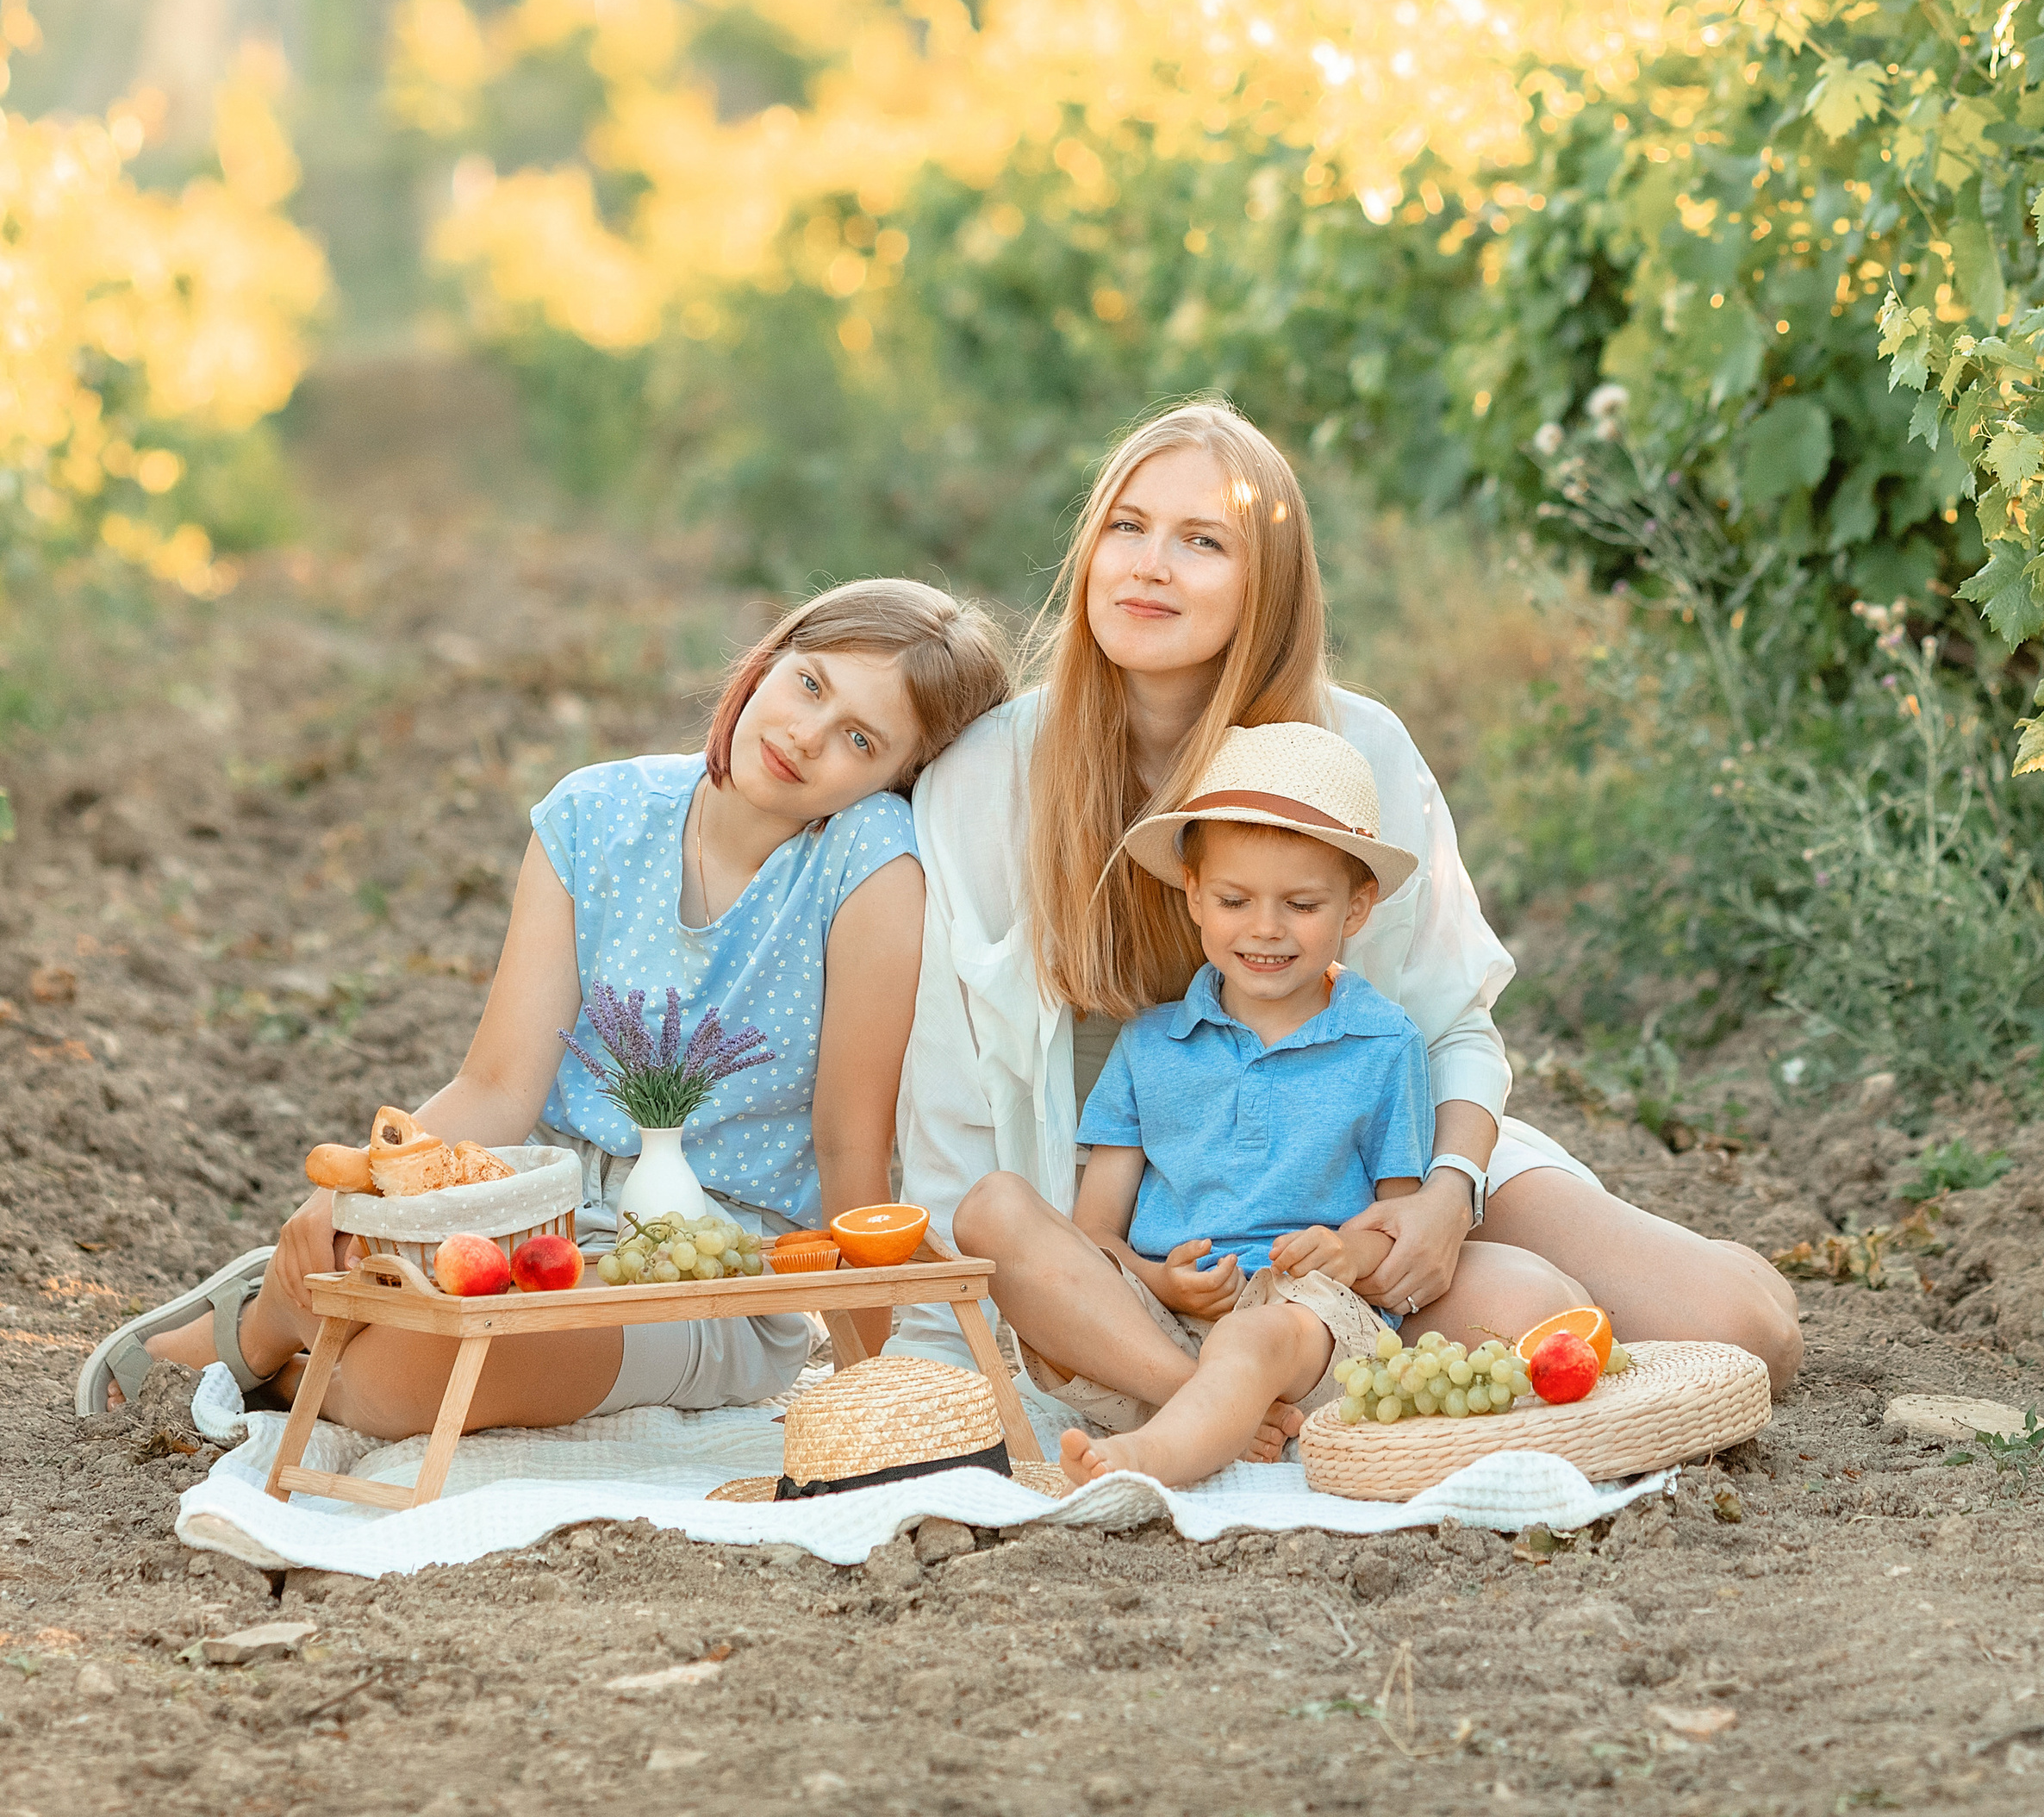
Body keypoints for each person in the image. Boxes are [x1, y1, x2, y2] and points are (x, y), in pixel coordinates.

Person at [912, 401, 1801, 1419]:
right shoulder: (991, 774)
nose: (1150, 565)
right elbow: (946, 1098)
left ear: (1269, 585)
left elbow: (1453, 1020)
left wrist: (1443, 1194)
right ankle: (1249, 1393)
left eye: (1203, 541)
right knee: (1535, 1326)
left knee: (1744, 1331)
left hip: (1369, 1178)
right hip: (1163, 1229)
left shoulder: (1357, 748)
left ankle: (1612, 1260)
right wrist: (942, 1342)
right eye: (1128, 526)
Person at [78, 580, 1010, 1434]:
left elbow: (850, 1143)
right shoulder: (595, 813)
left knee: (411, 1380)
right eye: (810, 684)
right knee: (390, 1265)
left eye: (860, 738)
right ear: (767, 661)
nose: (810, 733)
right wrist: (346, 1200)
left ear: (893, 780)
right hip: (528, 1207)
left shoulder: (871, 867)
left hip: (707, 1273)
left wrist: (871, 1388)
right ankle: (289, 1296)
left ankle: (292, 1336)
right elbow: (495, 1086)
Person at [978, 722, 1439, 1489]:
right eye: (1234, 899)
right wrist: (1160, 1284)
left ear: (1356, 909)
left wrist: (1348, 1252)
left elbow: (1402, 1222)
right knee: (993, 1208)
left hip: (1301, 1328)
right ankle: (1205, 1408)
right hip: (1150, 1335)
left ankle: (1151, 1455)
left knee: (1254, 1339)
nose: (1265, 928)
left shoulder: (1385, 1045)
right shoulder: (1152, 1043)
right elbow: (1096, 1238)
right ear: (1194, 894)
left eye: (1300, 903)